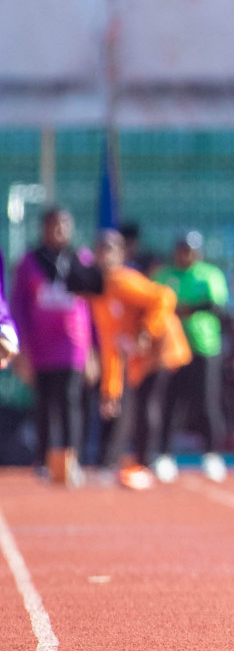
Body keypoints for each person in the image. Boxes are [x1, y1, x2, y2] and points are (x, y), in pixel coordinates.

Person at [87, 230, 194, 489]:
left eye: (111, 250)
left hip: (160, 348)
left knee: (148, 403)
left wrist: (147, 331)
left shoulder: (122, 280)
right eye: (101, 250)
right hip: (138, 357)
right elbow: (111, 346)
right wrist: (109, 390)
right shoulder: (98, 292)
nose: (105, 256)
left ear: (121, 254)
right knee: (133, 406)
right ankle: (133, 461)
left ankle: (146, 463)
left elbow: (164, 296)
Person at [11, 208, 95, 479]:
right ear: (44, 229)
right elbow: (19, 306)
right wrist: (21, 348)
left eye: (63, 225)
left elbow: (93, 306)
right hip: (40, 347)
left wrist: (93, 350)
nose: (59, 231)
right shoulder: (29, 262)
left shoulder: (81, 259)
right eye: (53, 225)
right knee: (45, 403)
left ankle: (71, 460)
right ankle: (45, 459)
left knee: (71, 401)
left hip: (74, 345)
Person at [154, 231, 231, 481]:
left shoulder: (209, 274)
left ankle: (212, 454)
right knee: (170, 404)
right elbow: (155, 306)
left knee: (207, 403)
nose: (186, 255)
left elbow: (217, 306)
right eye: (182, 249)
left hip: (204, 347)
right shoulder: (164, 275)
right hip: (172, 350)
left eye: (190, 250)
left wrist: (186, 308)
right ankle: (164, 455)